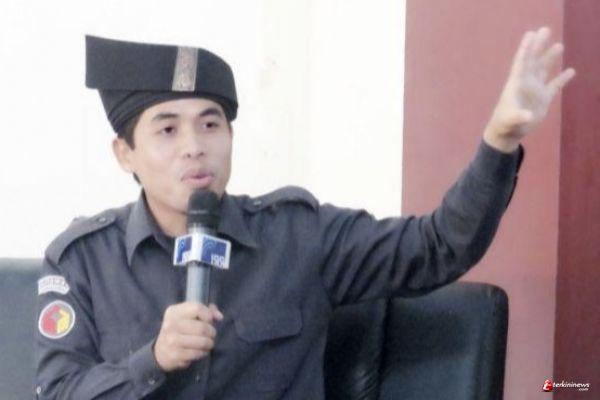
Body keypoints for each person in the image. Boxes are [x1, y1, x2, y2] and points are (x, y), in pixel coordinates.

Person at [35, 27, 574, 399]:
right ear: (125, 154)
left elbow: (438, 247)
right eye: (168, 129)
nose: (195, 147)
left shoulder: (298, 235)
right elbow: (57, 392)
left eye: (211, 124)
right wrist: (152, 359)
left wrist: (500, 140)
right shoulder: (83, 261)